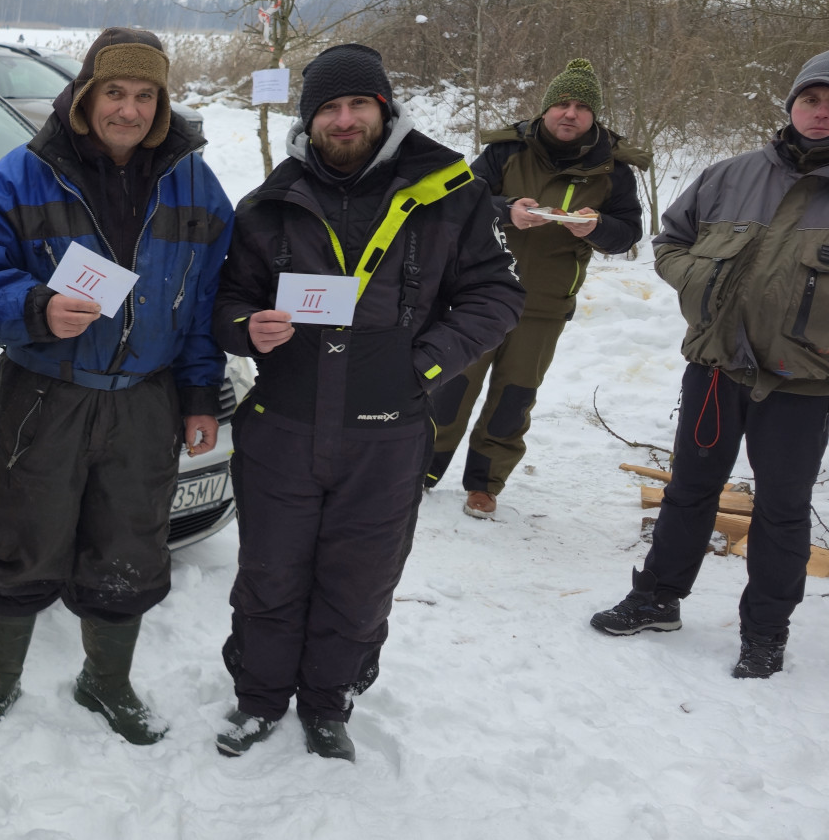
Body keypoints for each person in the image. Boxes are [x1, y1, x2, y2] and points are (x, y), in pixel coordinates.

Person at [211, 43, 523, 761]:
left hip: (386, 435)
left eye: (359, 104)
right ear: (308, 119)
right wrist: (245, 327)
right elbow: (228, 299)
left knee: (360, 581)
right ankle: (258, 697)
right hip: (284, 428)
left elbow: (497, 294)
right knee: (269, 575)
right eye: (329, 108)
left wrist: (424, 363)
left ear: (385, 109)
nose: (345, 120)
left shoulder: (451, 193)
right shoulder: (268, 204)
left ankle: (328, 703)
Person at [0, 27, 234, 745]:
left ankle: (105, 681)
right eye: (115, 92)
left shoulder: (196, 186)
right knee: (20, 539)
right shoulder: (16, 179)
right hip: (46, 393)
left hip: (145, 399)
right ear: (85, 96)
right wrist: (35, 308)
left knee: (129, 548)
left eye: (145, 96)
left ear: (161, 106)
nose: (129, 110)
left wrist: (199, 396)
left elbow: (204, 305)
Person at [590, 51, 829, 680]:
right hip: (717, 367)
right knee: (690, 488)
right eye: (811, 99)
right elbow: (672, 241)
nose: (821, 112)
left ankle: (766, 633)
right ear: (792, 106)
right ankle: (657, 599)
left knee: (782, 508)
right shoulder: (730, 175)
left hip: (803, 383)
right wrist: (702, 284)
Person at [428, 58, 650, 518]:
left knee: (514, 396)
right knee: (450, 385)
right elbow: (460, 203)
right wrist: (506, 211)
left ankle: (485, 483)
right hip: (478, 293)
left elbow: (628, 233)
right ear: (546, 108)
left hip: (544, 304)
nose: (570, 113)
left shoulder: (612, 169)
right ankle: (419, 469)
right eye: (562, 104)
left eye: (582, 107)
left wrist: (598, 226)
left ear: (593, 116)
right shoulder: (505, 152)